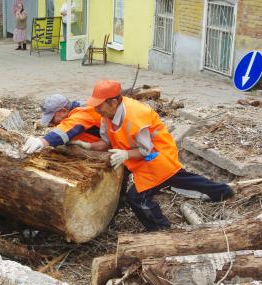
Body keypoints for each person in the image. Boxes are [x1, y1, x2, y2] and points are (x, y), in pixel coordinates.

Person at [86, 80, 234, 231]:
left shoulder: (135, 117)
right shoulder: (107, 115)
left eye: (99, 106)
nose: (96, 109)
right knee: (181, 178)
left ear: (113, 102)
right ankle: (222, 191)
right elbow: (106, 142)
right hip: (139, 156)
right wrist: (87, 146)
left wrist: (125, 154)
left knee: (138, 197)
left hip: (156, 156)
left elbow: (145, 151)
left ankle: (160, 228)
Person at [22, 94, 108, 154]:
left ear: (63, 111)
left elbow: (70, 126)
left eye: (52, 118)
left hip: (115, 148)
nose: (50, 123)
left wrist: (43, 141)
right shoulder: (72, 108)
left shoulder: (83, 113)